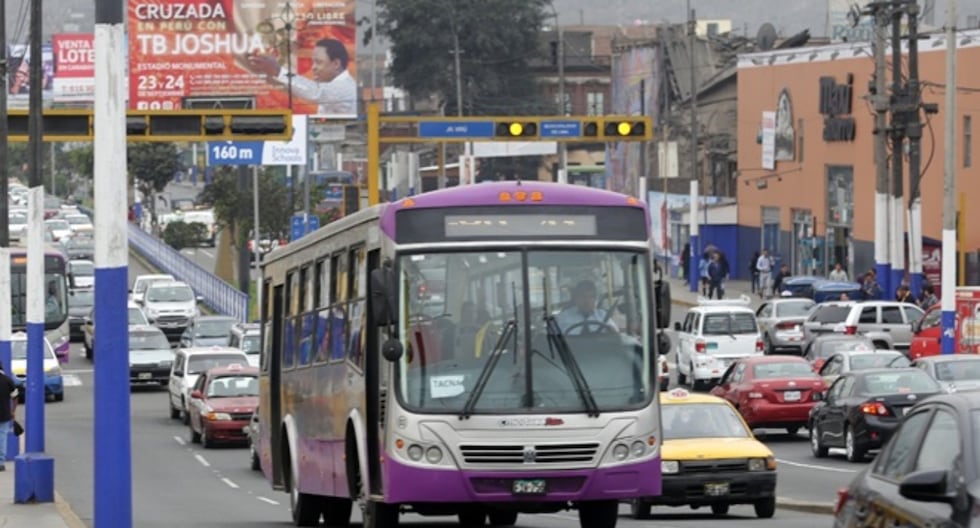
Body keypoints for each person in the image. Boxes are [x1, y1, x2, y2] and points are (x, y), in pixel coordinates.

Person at [248, 38, 357, 115]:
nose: (313, 68)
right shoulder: (335, 85)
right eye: (313, 62)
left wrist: (278, 71)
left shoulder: (345, 88)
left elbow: (315, 92)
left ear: (336, 64)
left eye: (319, 62)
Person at [0, 360, 18, 471]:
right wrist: (13, 411)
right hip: (4, 414)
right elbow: (15, 397)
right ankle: (1, 462)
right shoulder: (7, 380)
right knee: (2, 438)